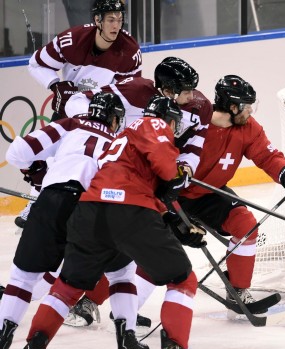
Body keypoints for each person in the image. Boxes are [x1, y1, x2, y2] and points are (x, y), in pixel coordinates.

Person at [13, 96, 212, 349]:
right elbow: (166, 171)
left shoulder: (122, 138)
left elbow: (145, 184)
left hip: (90, 212)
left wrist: (172, 219)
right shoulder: (153, 123)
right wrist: (177, 175)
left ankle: (35, 342)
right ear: (168, 119)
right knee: (182, 279)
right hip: (128, 212)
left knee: (68, 286)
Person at [137, 74, 285, 315]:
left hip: (211, 193)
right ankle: (122, 305)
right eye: (246, 106)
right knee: (157, 250)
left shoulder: (248, 128)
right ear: (232, 106)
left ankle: (238, 289)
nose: (251, 111)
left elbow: (267, 156)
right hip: (171, 194)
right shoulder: (195, 123)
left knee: (246, 225)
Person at [63, 56, 212, 328]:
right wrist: (101, 132)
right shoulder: (134, 91)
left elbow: (195, 145)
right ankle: (77, 297)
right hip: (118, 177)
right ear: (167, 90)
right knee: (115, 244)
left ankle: (109, 305)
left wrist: (185, 170)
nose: (193, 96)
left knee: (130, 246)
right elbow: (76, 101)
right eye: (186, 90)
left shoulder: (201, 107)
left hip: (155, 178)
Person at [0, 93, 129, 349]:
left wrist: (38, 172)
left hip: (52, 200)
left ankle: (3, 334)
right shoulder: (120, 142)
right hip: (92, 210)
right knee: (120, 272)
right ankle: (126, 337)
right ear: (115, 119)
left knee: (23, 277)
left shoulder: (70, 124)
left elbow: (17, 153)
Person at [15, 0, 142, 229]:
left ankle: (96, 208)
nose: (116, 25)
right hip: (67, 111)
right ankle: (36, 201)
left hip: (102, 116)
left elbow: (129, 90)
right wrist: (56, 85)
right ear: (97, 20)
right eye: (110, 19)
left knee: (96, 163)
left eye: (119, 19)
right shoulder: (72, 40)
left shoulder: (129, 50)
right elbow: (35, 64)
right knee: (47, 157)